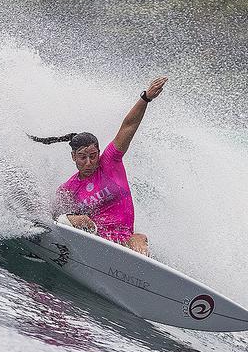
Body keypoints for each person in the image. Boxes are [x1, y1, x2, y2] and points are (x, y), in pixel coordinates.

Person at [29, 76, 168, 255]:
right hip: (95, 240)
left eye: (93, 156)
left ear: (99, 153)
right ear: (73, 157)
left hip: (125, 239)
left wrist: (145, 98)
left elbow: (128, 125)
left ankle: (141, 251)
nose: (89, 162)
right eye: (82, 157)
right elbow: (51, 215)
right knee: (69, 220)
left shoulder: (110, 161)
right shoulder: (69, 188)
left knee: (138, 241)